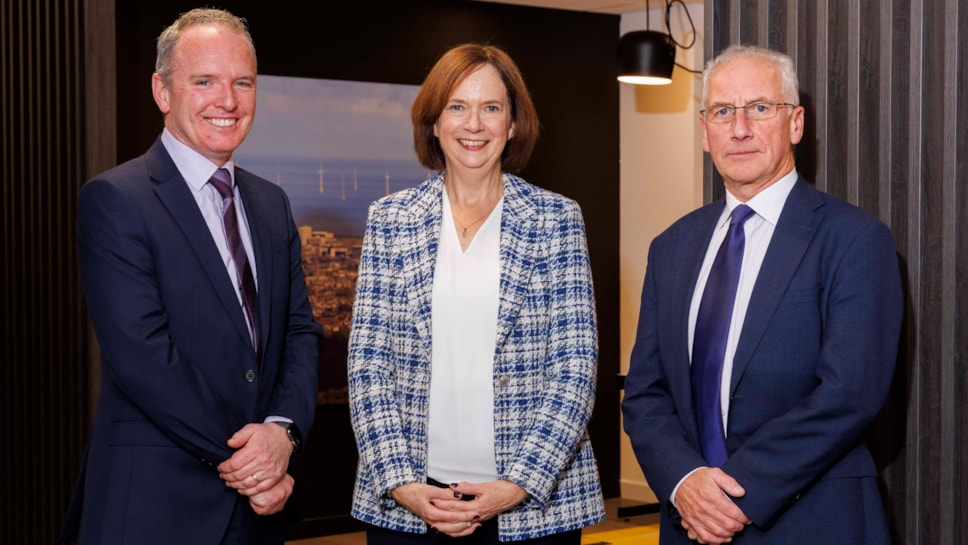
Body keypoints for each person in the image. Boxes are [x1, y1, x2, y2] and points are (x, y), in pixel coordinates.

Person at [622, 44, 903, 545]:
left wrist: (731, 495)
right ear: (704, 132)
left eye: (759, 108)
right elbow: (646, 393)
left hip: (812, 518)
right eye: (722, 111)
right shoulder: (671, 247)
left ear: (795, 124)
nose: (740, 128)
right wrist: (684, 482)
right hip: (687, 522)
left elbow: (849, 393)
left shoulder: (855, 238)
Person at [60, 8, 321, 545]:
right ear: (162, 91)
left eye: (242, 83)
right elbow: (142, 354)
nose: (227, 101)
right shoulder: (116, 199)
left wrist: (283, 433)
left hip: (257, 516)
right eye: (204, 81)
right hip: (157, 506)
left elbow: (300, 333)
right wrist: (254, 461)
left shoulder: (271, 204)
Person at [346, 43, 605, 544]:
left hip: (530, 509)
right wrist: (401, 482)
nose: (474, 124)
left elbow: (575, 370)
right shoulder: (390, 220)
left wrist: (517, 485)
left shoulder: (556, 220)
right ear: (434, 123)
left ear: (512, 125)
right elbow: (368, 365)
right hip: (411, 504)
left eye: (491, 108)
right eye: (457, 107)